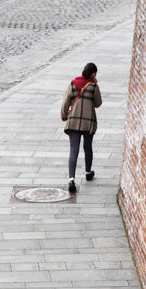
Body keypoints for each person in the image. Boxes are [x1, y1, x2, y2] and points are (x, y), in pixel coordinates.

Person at [61, 62, 102, 192]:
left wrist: (64, 116)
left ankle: (71, 179)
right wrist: (95, 84)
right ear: (93, 73)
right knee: (87, 147)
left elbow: (66, 102)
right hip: (88, 122)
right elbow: (98, 103)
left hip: (73, 122)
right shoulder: (93, 86)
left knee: (74, 149)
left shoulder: (73, 83)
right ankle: (88, 172)